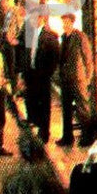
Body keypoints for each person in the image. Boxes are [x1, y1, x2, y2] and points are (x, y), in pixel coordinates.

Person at [56, 12, 93, 148]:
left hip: (78, 78)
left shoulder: (79, 37)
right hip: (65, 78)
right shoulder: (63, 37)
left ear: (72, 22)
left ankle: (87, 136)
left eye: (66, 22)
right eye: (63, 22)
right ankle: (67, 137)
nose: (64, 25)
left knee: (82, 107)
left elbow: (88, 58)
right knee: (66, 109)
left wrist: (87, 77)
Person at [24, 16, 61, 144]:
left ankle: (44, 131)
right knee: (34, 101)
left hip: (43, 75)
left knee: (44, 103)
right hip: (31, 74)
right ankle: (38, 124)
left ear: (41, 19)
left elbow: (55, 56)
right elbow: (27, 54)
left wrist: (47, 72)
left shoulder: (49, 37)